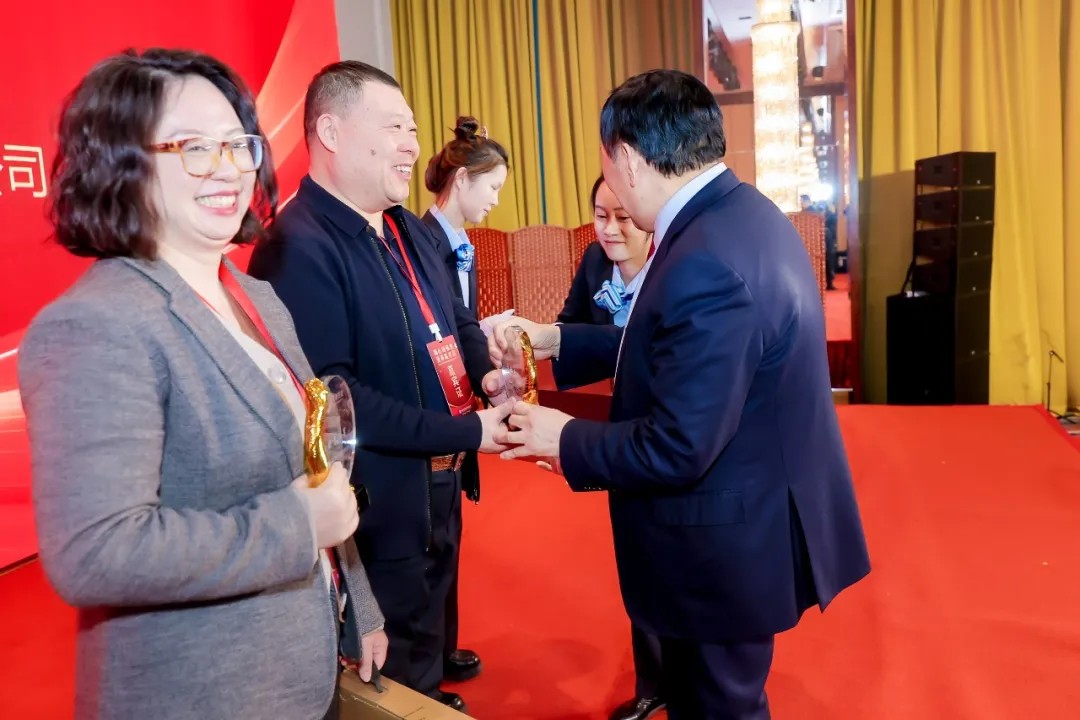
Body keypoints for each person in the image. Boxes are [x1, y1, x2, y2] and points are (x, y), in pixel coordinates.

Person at [18, 48, 387, 720]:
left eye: (238, 144)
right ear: (123, 164)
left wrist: (358, 604)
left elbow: (315, 472)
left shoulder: (252, 294)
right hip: (199, 692)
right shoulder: (97, 323)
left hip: (300, 673)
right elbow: (96, 553)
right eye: (192, 147)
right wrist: (297, 527)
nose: (228, 168)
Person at [491, 69, 871, 719]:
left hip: (723, 546)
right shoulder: (740, 215)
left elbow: (679, 444)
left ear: (628, 159)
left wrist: (564, 437)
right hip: (745, 519)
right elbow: (680, 349)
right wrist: (557, 340)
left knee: (717, 706)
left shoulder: (705, 258)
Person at [247, 61, 509, 714]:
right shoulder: (297, 246)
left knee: (429, 621)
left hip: (439, 477)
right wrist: (467, 428)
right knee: (392, 659)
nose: (413, 147)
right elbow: (338, 400)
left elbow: (457, 319)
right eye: (395, 128)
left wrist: (484, 373)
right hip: (379, 501)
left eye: (412, 129)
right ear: (331, 133)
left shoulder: (404, 227)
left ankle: (431, 692)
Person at [558, 176, 665, 720]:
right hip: (616, 429)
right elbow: (570, 327)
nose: (611, 229)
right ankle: (653, 681)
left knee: (677, 553)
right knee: (638, 554)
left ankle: (692, 675)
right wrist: (530, 349)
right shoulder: (594, 261)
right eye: (601, 216)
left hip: (668, 425)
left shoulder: (673, 265)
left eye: (622, 217)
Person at [419, 115, 509, 684]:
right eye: (492, 187)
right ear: (462, 180)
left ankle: (443, 648)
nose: (497, 200)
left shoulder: (460, 243)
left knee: (448, 537)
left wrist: (485, 375)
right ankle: (425, 668)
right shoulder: (421, 241)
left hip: (458, 403)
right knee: (430, 544)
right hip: (431, 411)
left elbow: (462, 322)